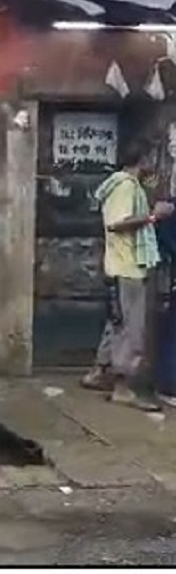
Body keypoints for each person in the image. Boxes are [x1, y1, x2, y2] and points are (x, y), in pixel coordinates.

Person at [82, 143, 174, 411]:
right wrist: (153, 217)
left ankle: (99, 373)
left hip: (119, 265)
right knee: (132, 331)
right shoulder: (125, 186)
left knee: (117, 322)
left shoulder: (123, 185)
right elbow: (117, 224)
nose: (154, 165)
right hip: (128, 267)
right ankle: (123, 388)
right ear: (142, 159)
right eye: (151, 159)